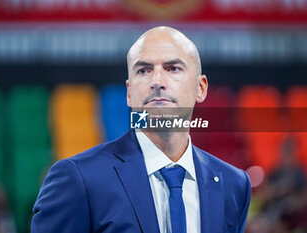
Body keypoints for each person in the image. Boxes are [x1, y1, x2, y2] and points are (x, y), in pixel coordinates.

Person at [31, 26, 251, 233]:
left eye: (173, 68)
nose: (157, 81)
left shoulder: (234, 185)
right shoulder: (78, 179)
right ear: (129, 93)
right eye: (144, 70)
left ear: (200, 88)